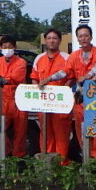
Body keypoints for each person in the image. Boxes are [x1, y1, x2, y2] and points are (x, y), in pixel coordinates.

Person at [67, 24, 96, 160]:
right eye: (80, 36)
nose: (83, 38)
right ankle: (86, 158)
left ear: (91, 37)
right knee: (81, 131)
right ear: (77, 38)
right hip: (80, 101)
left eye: (86, 35)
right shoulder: (73, 56)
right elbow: (67, 72)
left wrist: (87, 76)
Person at [31, 28, 72, 164]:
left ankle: (61, 163)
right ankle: (46, 163)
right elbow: (34, 78)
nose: (52, 40)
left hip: (60, 103)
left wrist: (64, 91)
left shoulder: (66, 58)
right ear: (45, 40)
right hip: (43, 103)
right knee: (45, 133)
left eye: (55, 38)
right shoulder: (39, 58)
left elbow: (71, 78)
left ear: (60, 40)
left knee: (61, 134)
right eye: (49, 38)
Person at [0, 34, 28, 158]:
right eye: (4, 46)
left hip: (18, 99)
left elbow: (16, 77)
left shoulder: (21, 62)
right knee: (0, 129)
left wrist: (2, 80)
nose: (7, 49)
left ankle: (19, 156)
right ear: (0, 48)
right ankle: (4, 154)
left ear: (15, 47)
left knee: (20, 131)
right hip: (2, 100)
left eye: (10, 46)